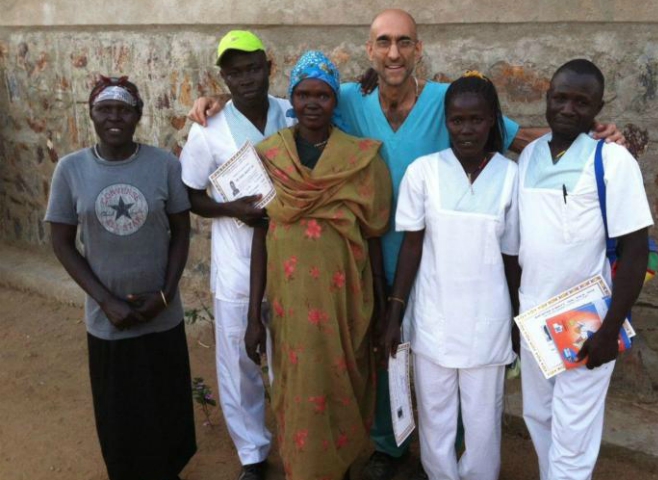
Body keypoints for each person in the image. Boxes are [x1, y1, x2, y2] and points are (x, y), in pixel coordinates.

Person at [188, 10, 624, 479]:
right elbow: (289, 101)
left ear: (418, 49)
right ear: (369, 50)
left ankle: (456, 455)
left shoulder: (444, 99)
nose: (393, 52)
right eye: (383, 42)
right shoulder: (350, 98)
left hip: (435, 262)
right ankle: (386, 446)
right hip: (364, 259)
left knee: (449, 369)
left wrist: (588, 138)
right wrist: (215, 101)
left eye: (403, 42)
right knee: (378, 352)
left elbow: (516, 138)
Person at [246, 51, 392, 480]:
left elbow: (375, 235)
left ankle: (340, 466)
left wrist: (384, 309)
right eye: (304, 94)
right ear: (291, 99)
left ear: (334, 101)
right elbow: (260, 232)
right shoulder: (269, 156)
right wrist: (254, 311)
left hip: (346, 300)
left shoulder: (361, 159)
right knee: (296, 385)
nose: (313, 103)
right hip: (290, 305)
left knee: (342, 382)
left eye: (323, 95)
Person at [45, 75, 196, 480]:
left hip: (161, 314)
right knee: (119, 410)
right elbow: (61, 242)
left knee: (166, 400)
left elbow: (182, 231)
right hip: (108, 320)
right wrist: (105, 301)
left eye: (124, 109)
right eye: (104, 109)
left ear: (138, 116)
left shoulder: (164, 164)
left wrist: (165, 295)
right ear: (92, 115)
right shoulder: (71, 169)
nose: (114, 117)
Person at [516, 59, 653, 480]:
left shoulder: (612, 161)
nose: (568, 109)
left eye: (582, 101)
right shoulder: (530, 156)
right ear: (547, 97)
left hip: (585, 321)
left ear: (598, 106)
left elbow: (635, 252)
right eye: (560, 98)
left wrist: (610, 330)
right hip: (534, 317)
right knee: (538, 417)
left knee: (574, 434)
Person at [381, 72, 520, 480]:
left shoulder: (510, 177)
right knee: (436, 418)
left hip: (487, 321)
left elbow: (512, 258)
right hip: (433, 317)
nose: (466, 129)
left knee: (482, 424)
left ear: (493, 120)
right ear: (446, 121)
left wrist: (516, 318)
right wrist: (395, 313)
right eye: (457, 120)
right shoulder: (423, 173)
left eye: (476, 120)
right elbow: (411, 247)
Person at [179, 30, 294, 480]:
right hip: (236, 263)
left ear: (269, 66)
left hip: (289, 258)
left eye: (252, 68)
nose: (245, 78)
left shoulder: (291, 110)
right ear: (222, 76)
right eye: (234, 72)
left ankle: (296, 441)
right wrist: (232, 210)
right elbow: (190, 194)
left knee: (289, 356)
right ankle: (253, 453)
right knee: (238, 359)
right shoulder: (208, 129)